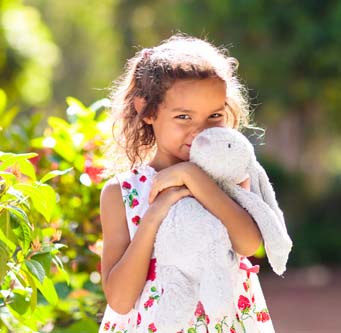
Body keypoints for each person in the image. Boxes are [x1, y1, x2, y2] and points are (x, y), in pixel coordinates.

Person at [99, 34, 275, 333]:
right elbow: (119, 300)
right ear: (148, 111)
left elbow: (248, 243)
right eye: (184, 117)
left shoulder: (229, 179)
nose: (201, 131)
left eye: (214, 116)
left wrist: (194, 178)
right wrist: (154, 215)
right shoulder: (122, 192)